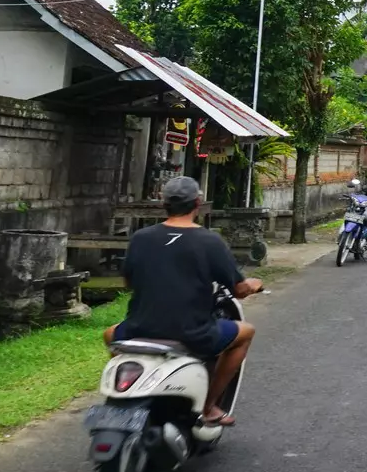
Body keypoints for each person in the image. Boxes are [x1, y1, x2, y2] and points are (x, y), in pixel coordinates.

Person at [104, 176, 262, 424]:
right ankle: (209, 406)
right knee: (246, 333)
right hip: (192, 333)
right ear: (197, 203)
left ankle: (130, 390)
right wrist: (254, 284)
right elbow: (239, 289)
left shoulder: (141, 238)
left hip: (138, 329)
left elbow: (129, 282)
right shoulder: (209, 241)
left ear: (163, 203)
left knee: (109, 334)